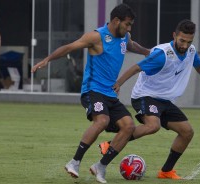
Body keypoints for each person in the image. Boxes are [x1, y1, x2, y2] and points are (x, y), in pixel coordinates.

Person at [31, 4, 149, 183]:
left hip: (109, 94)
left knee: (129, 126)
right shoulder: (97, 37)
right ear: (116, 21)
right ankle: (74, 162)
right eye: (127, 24)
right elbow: (70, 47)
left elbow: (131, 45)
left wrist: (148, 52)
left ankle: (100, 166)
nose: (129, 28)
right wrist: (47, 59)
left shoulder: (125, 36)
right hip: (92, 90)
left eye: (131, 25)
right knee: (102, 120)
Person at [99, 19, 200, 180]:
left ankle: (166, 171)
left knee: (187, 132)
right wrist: (118, 84)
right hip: (145, 96)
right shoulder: (162, 54)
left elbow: (199, 66)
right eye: (182, 41)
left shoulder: (191, 51)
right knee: (153, 126)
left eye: (189, 41)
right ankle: (111, 144)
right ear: (174, 35)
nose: (185, 45)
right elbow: (137, 67)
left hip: (164, 101)